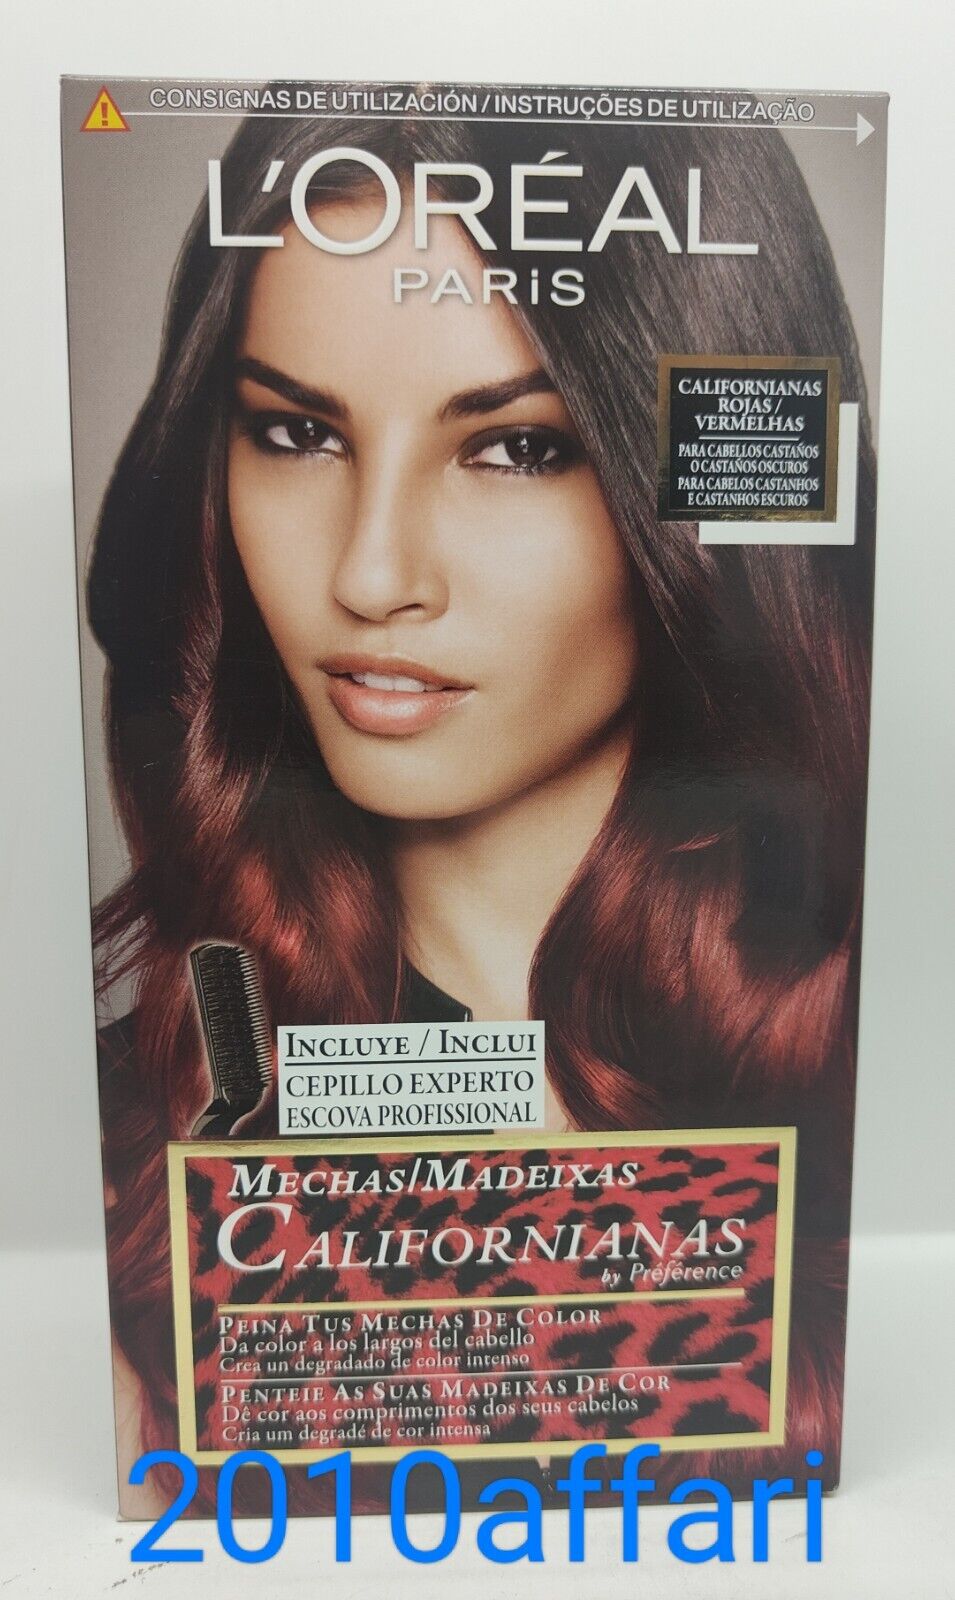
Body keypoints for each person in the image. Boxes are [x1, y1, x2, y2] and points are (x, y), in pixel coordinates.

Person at [90, 103, 875, 1514]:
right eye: (295, 432)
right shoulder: (131, 1174)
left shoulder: (875, 1069)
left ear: (697, 509)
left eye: (517, 449)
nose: (371, 574)